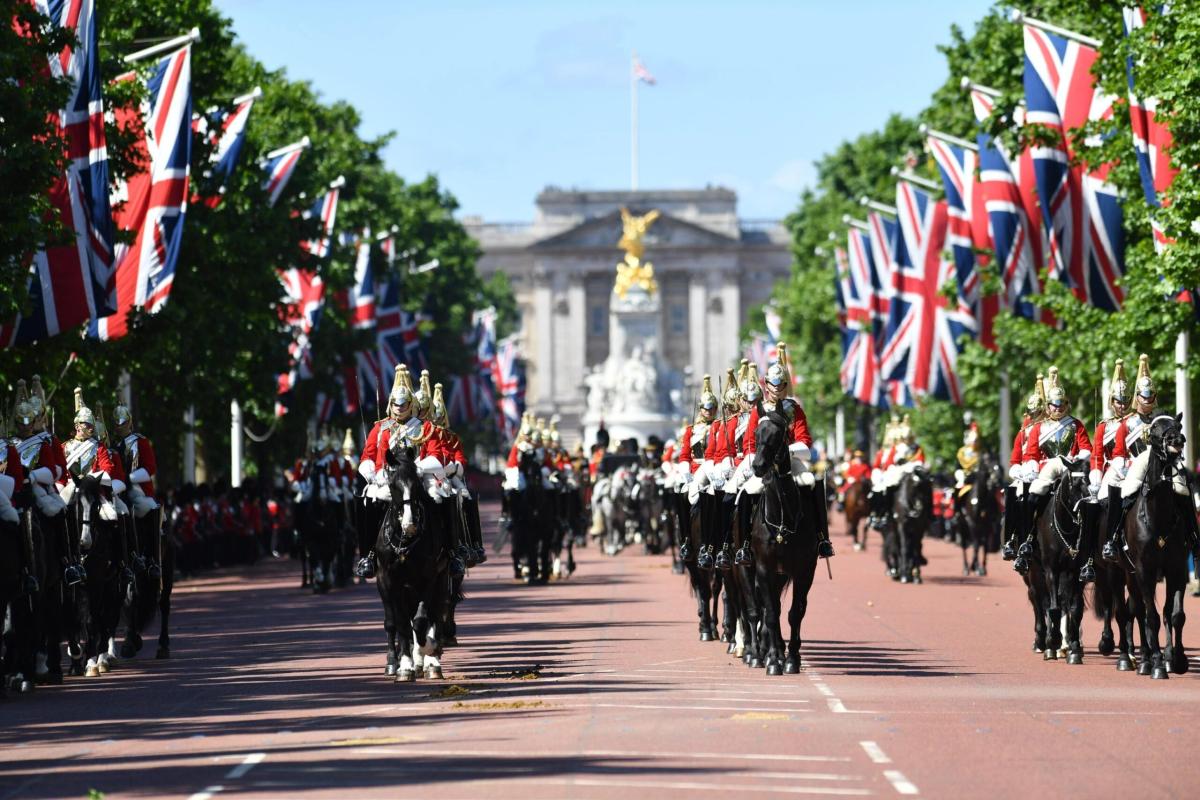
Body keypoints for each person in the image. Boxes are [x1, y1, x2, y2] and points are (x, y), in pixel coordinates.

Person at [354, 365, 440, 579]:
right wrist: (372, 474)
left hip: (417, 477)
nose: (399, 408)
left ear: (411, 405)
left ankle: (450, 550)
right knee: (367, 499)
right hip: (387, 479)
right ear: (390, 405)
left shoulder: (424, 428)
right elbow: (367, 456)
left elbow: (435, 454)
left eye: (403, 404)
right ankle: (369, 554)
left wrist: (419, 468)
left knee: (440, 498)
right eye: (395, 404)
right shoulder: (380, 428)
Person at [1015, 367, 1092, 575]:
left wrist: (1076, 459)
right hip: (1046, 471)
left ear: (1066, 405)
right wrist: (1032, 467)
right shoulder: (1039, 427)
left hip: (1071, 469)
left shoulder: (1076, 425)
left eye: (1061, 404)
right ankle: (1027, 541)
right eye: (1053, 405)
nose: (1057, 408)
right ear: (1047, 406)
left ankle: (1090, 552)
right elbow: (1031, 453)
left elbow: (1086, 448)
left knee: (1090, 501)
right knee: (1030, 498)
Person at [759, 343, 832, 558]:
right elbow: (750, 443)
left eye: (781, 384)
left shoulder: (794, 409)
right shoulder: (761, 409)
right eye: (773, 384)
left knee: (811, 481)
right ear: (767, 385)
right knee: (748, 491)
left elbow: (804, 439)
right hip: (764, 461)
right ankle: (740, 544)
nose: (777, 389)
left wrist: (788, 451)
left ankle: (821, 538)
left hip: (790, 459)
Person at [111, 398, 162, 579]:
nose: (119, 427)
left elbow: (150, 469)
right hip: (118, 488)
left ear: (130, 422)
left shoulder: (141, 442)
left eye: (122, 423)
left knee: (145, 510)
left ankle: (152, 559)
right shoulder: (113, 446)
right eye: (116, 424)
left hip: (138, 489)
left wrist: (129, 478)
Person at [1002, 373, 1046, 561]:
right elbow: (1014, 461)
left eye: (1037, 413)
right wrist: (1019, 471)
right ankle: (1013, 539)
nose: (1033, 417)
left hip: (1047, 471)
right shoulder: (1023, 433)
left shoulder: (1050, 428)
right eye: (1031, 413)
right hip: (1027, 473)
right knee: (1014, 494)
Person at [675, 375, 718, 561]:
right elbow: (684, 455)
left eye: (712, 408)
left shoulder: (720, 426)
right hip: (694, 471)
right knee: (682, 493)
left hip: (715, 469)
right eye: (705, 408)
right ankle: (686, 539)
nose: (708, 411)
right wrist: (685, 473)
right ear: (700, 409)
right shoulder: (691, 430)